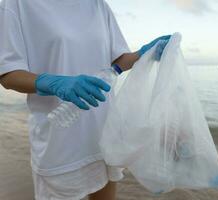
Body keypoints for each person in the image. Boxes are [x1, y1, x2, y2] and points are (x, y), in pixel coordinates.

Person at [0, 0, 170, 199]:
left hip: (104, 135)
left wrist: (143, 54)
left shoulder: (98, 6)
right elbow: (7, 73)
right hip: (60, 141)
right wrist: (53, 82)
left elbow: (116, 62)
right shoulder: (17, 5)